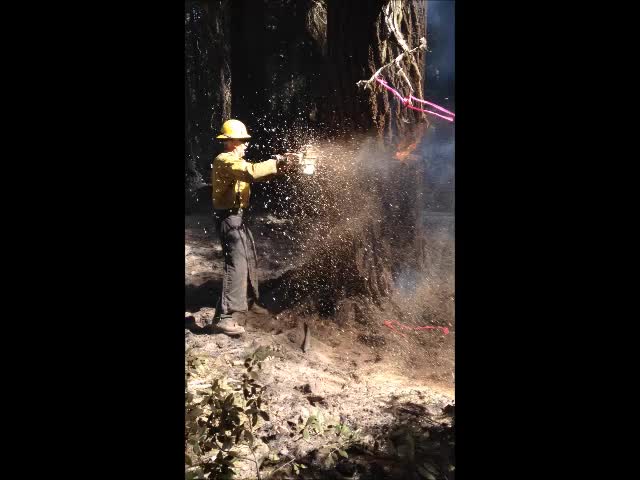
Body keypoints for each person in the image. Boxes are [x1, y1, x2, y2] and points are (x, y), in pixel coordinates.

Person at [211, 119, 297, 335]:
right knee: (236, 265)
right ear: (231, 142)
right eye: (243, 141)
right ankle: (225, 317)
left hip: (236, 218)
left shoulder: (234, 162)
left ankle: (227, 311)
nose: (246, 145)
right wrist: (277, 162)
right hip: (229, 219)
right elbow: (251, 172)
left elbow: (255, 173)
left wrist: (282, 167)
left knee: (244, 261)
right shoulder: (225, 160)